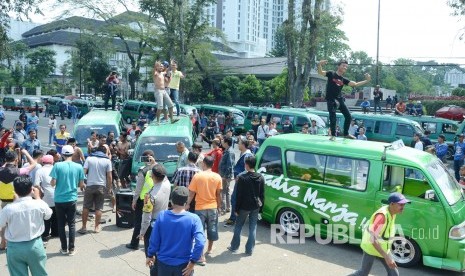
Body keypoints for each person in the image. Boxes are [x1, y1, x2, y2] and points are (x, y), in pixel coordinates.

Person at [146, 186, 205, 276]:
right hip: (184, 266)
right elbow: (200, 243)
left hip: (163, 263)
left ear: (171, 201)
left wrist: (150, 255)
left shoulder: (162, 216)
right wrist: (193, 262)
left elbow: (154, 239)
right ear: (186, 202)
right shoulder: (194, 219)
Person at [0, 175, 52, 276]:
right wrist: (37, 197)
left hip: (15, 247)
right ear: (31, 189)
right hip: (35, 245)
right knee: (40, 273)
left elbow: (1, 223)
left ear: (14, 190)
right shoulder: (39, 204)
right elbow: (48, 215)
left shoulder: (8, 209)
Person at [350, 192, 410, 276]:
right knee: (363, 273)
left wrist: (386, 254)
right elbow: (372, 239)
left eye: (404, 205)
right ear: (392, 204)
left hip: (383, 247)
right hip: (371, 247)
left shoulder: (392, 212)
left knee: (394, 274)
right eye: (400, 205)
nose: (403, 207)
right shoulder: (382, 217)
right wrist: (386, 256)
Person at [317, 60, 371, 140]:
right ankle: (333, 135)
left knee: (348, 116)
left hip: (339, 100)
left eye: (346, 66)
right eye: (343, 65)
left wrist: (367, 80)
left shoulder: (343, 79)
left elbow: (355, 84)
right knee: (333, 116)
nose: (345, 67)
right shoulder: (331, 74)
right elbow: (321, 72)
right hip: (331, 100)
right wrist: (319, 65)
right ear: (338, 66)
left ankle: (346, 134)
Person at [50, 145, 85, 256]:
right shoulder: (78, 167)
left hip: (59, 198)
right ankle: (72, 249)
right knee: (72, 224)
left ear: (63, 154)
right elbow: (81, 185)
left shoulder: (57, 165)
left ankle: (64, 248)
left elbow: (53, 183)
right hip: (72, 198)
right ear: (73, 154)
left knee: (61, 224)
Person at [186, 156, 222, 265]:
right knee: (212, 229)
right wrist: (219, 206)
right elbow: (218, 194)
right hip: (212, 207)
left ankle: (201, 256)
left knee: (199, 232)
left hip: (200, 208)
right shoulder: (217, 177)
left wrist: (187, 204)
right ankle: (210, 249)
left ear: (204, 164)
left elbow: (191, 193)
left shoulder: (198, 176)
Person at [227, 156, 264, 256]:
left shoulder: (242, 178)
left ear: (247, 165)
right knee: (253, 227)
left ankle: (234, 247)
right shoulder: (260, 177)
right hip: (255, 206)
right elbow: (262, 195)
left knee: (238, 226)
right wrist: (261, 209)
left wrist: (236, 209)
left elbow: (239, 195)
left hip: (244, 206)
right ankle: (249, 250)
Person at [0, 150, 36, 250]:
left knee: (4, 222)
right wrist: (25, 153)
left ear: (5, 160)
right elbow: (34, 164)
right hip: (17, 200)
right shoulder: (20, 171)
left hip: (3, 201)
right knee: (17, 222)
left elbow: (4, 167)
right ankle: (17, 241)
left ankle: (3, 242)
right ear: (16, 160)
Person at [138, 164, 171, 261]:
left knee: (151, 255)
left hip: (153, 226)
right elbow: (163, 176)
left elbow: (146, 218)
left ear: (152, 176)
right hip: (164, 221)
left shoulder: (150, 196)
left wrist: (142, 233)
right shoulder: (167, 184)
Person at [126, 150, 157, 250]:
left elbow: (138, 188)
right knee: (153, 221)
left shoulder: (143, 170)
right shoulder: (158, 168)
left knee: (139, 222)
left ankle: (134, 243)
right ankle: (152, 243)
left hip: (143, 200)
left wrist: (134, 200)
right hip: (155, 198)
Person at [79, 145, 113, 234]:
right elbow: (109, 177)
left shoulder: (89, 159)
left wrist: (82, 184)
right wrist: (109, 188)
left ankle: (83, 227)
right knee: (99, 207)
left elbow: (83, 172)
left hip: (89, 186)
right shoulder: (107, 161)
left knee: (86, 207)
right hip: (101, 186)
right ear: (105, 151)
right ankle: (97, 227)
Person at [225, 138, 253, 227]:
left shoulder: (247, 155)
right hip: (240, 179)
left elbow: (248, 170)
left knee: (234, 199)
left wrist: (239, 177)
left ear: (243, 145)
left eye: (239, 143)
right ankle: (236, 216)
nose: (238, 145)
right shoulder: (244, 154)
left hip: (241, 181)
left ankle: (233, 218)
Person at [34, 154, 59, 242]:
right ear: (52, 161)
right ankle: (56, 232)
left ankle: (45, 234)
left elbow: (36, 185)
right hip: (58, 195)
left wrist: (39, 194)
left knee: (46, 216)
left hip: (46, 196)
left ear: (43, 162)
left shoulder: (40, 171)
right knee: (56, 215)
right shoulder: (56, 168)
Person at [218, 136, 235, 214]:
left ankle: (223, 209)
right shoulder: (227, 150)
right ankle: (227, 207)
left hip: (225, 176)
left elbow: (230, 165)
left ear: (226, 143)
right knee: (226, 191)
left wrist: (225, 176)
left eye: (223, 141)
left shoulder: (229, 152)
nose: (222, 142)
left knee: (223, 192)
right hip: (225, 175)